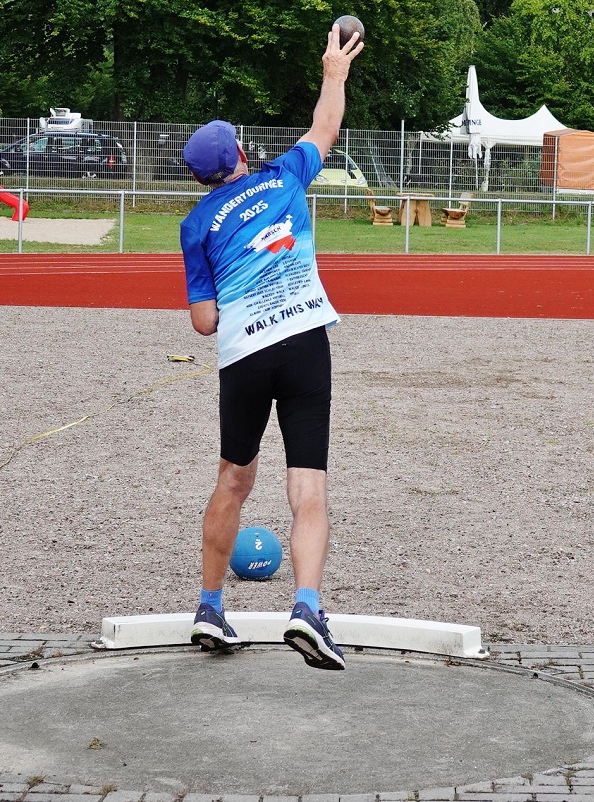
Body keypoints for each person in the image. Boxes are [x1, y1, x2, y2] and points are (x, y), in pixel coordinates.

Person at [179, 23, 363, 670]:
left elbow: (203, 321)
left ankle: (208, 606)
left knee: (234, 478)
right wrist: (333, 74)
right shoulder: (284, 176)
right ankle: (307, 608)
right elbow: (325, 129)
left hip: (244, 355)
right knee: (307, 485)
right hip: (304, 340)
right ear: (240, 154)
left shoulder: (195, 223)